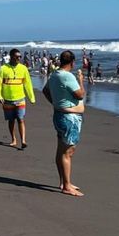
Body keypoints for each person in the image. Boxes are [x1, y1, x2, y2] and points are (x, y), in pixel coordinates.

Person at [44, 50, 85, 197]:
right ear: (72, 62)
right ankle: (66, 185)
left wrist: (56, 104)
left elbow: (45, 90)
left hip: (61, 114)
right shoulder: (68, 76)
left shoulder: (55, 74)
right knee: (68, 151)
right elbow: (80, 94)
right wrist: (81, 80)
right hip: (69, 117)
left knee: (61, 150)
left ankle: (64, 181)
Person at [0, 49, 36, 149]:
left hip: (20, 99)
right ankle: (13, 139)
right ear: (11, 57)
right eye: (17, 57)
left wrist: (31, 97)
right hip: (7, 100)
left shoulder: (23, 68)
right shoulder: (3, 69)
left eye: (20, 57)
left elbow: (28, 83)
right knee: (11, 120)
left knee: (20, 119)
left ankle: (23, 141)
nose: (19, 58)